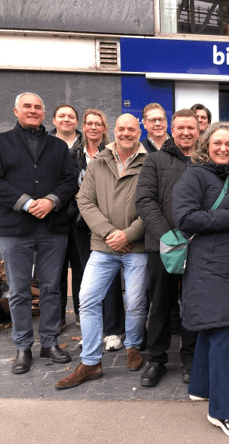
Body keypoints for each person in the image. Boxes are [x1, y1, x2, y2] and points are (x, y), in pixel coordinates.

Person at [172, 122, 229, 439]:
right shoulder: (194, 176)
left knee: (213, 328)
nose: (223, 148)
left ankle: (201, 387)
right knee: (223, 333)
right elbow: (184, 218)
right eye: (217, 143)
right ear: (206, 145)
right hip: (207, 269)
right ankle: (226, 412)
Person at [55, 114, 148, 389]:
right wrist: (109, 233)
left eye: (131, 129)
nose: (126, 133)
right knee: (87, 299)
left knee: (135, 301)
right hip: (103, 246)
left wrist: (128, 234)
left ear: (138, 132)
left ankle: (133, 346)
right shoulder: (98, 162)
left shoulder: (150, 163)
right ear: (114, 131)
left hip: (137, 245)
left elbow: (154, 204)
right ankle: (91, 361)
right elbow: (84, 200)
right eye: (122, 128)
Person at [0, 92, 77, 374]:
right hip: (14, 228)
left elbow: (70, 180)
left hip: (52, 227)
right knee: (18, 291)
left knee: (51, 289)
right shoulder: (2, 142)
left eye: (37, 107)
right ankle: (23, 347)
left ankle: (49, 342)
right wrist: (27, 203)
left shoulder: (58, 146)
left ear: (44, 113)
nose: (33, 111)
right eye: (27, 106)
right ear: (16, 111)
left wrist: (51, 201)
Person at [135, 109, 200, 387]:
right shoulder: (155, 160)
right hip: (162, 246)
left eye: (191, 127)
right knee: (160, 304)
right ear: (172, 129)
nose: (186, 132)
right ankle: (157, 359)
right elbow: (144, 200)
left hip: (198, 245)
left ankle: (191, 358)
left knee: (193, 305)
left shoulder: (205, 161)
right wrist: (168, 236)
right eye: (181, 127)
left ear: (198, 130)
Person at [72, 109, 125, 351]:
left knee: (110, 277)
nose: (93, 127)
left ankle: (113, 330)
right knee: (88, 279)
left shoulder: (113, 153)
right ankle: (92, 330)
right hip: (81, 223)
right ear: (83, 126)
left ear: (105, 128)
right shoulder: (73, 154)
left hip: (108, 224)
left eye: (98, 123)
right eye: (89, 123)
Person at [49, 104, 84, 333]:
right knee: (56, 271)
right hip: (54, 214)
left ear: (76, 121)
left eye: (71, 116)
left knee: (81, 267)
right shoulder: (46, 144)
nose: (66, 119)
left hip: (82, 215)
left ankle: (82, 313)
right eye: (61, 116)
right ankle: (58, 317)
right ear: (54, 120)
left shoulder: (87, 143)